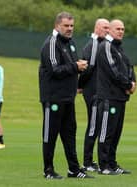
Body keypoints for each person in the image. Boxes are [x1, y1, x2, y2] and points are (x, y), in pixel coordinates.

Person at [39, 12, 93, 179]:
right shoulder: (51, 43)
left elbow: (71, 66)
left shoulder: (70, 43)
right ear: (57, 26)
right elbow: (55, 70)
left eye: (71, 26)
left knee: (70, 134)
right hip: (53, 98)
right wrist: (76, 67)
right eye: (66, 26)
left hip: (68, 98)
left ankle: (74, 169)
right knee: (50, 134)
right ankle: (48, 170)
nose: (69, 29)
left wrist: (80, 67)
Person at [96, 19, 136, 175]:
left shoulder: (119, 48)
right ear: (109, 30)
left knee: (116, 132)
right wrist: (127, 85)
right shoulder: (105, 46)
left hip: (120, 97)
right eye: (117, 28)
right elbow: (113, 71)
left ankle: (112, 163)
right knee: (106, 132)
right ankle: (103, 165)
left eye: (123, 29)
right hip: (108, 97)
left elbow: (129, 67)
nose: (121, 31)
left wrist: (133, 83)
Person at [78, 18, 110, 172]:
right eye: (104, 27)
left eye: (108, 28)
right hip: (93, 91)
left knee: (96, 125)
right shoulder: (95, 44)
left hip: (99, 91)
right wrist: (80, 85)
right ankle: (87, 162)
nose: (107, 30)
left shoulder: (101, 44)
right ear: (96, 28)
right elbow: (88, 67)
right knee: (93, 126)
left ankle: (90, 160)